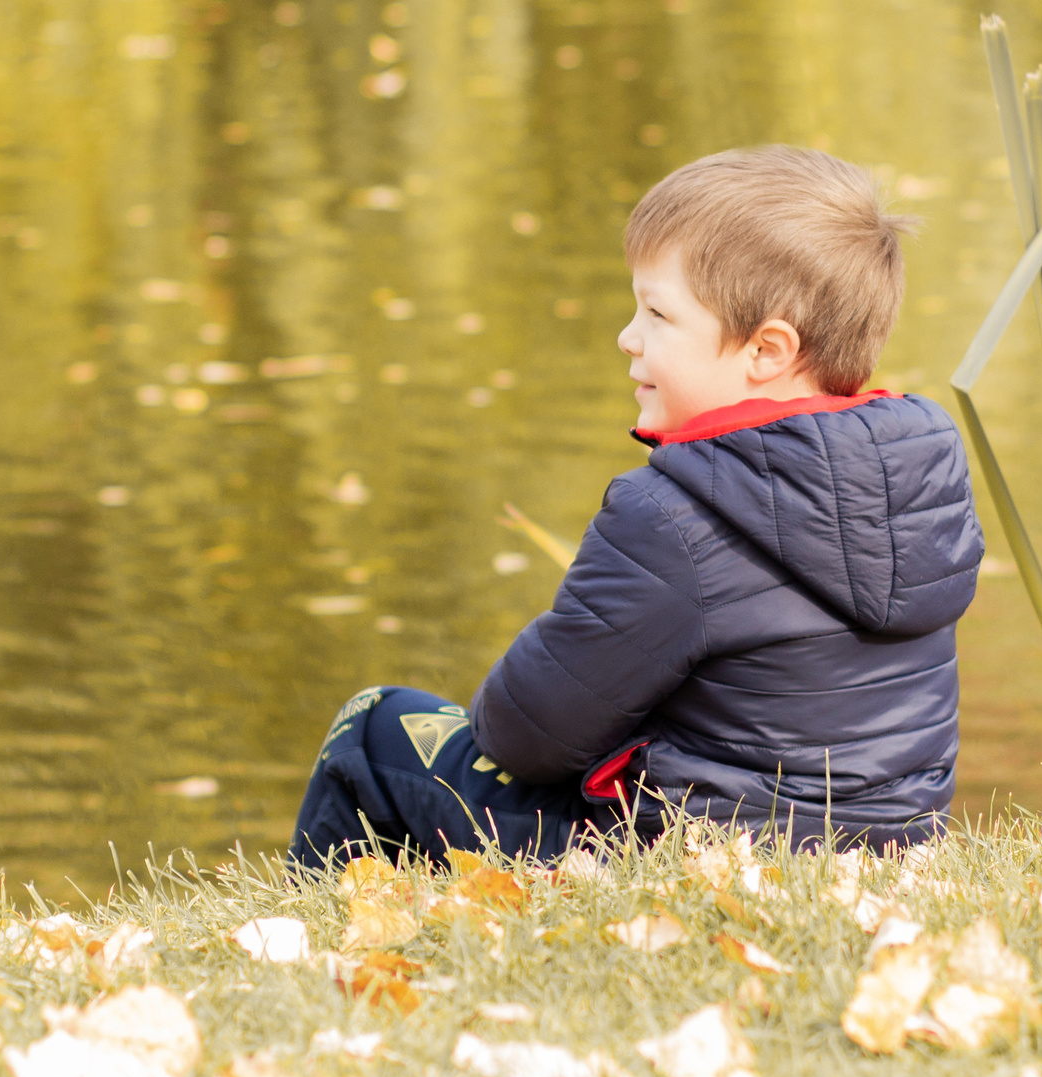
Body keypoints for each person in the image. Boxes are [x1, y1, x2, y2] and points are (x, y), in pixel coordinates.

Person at [287, 145, 983, 867]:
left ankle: (310, 953)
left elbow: (524, 734)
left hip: (689, 859)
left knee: (374, 730)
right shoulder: (917, 481)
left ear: (767, 350)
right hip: (884, 851)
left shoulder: (672, 515)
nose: (629, 336)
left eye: (657, 313)